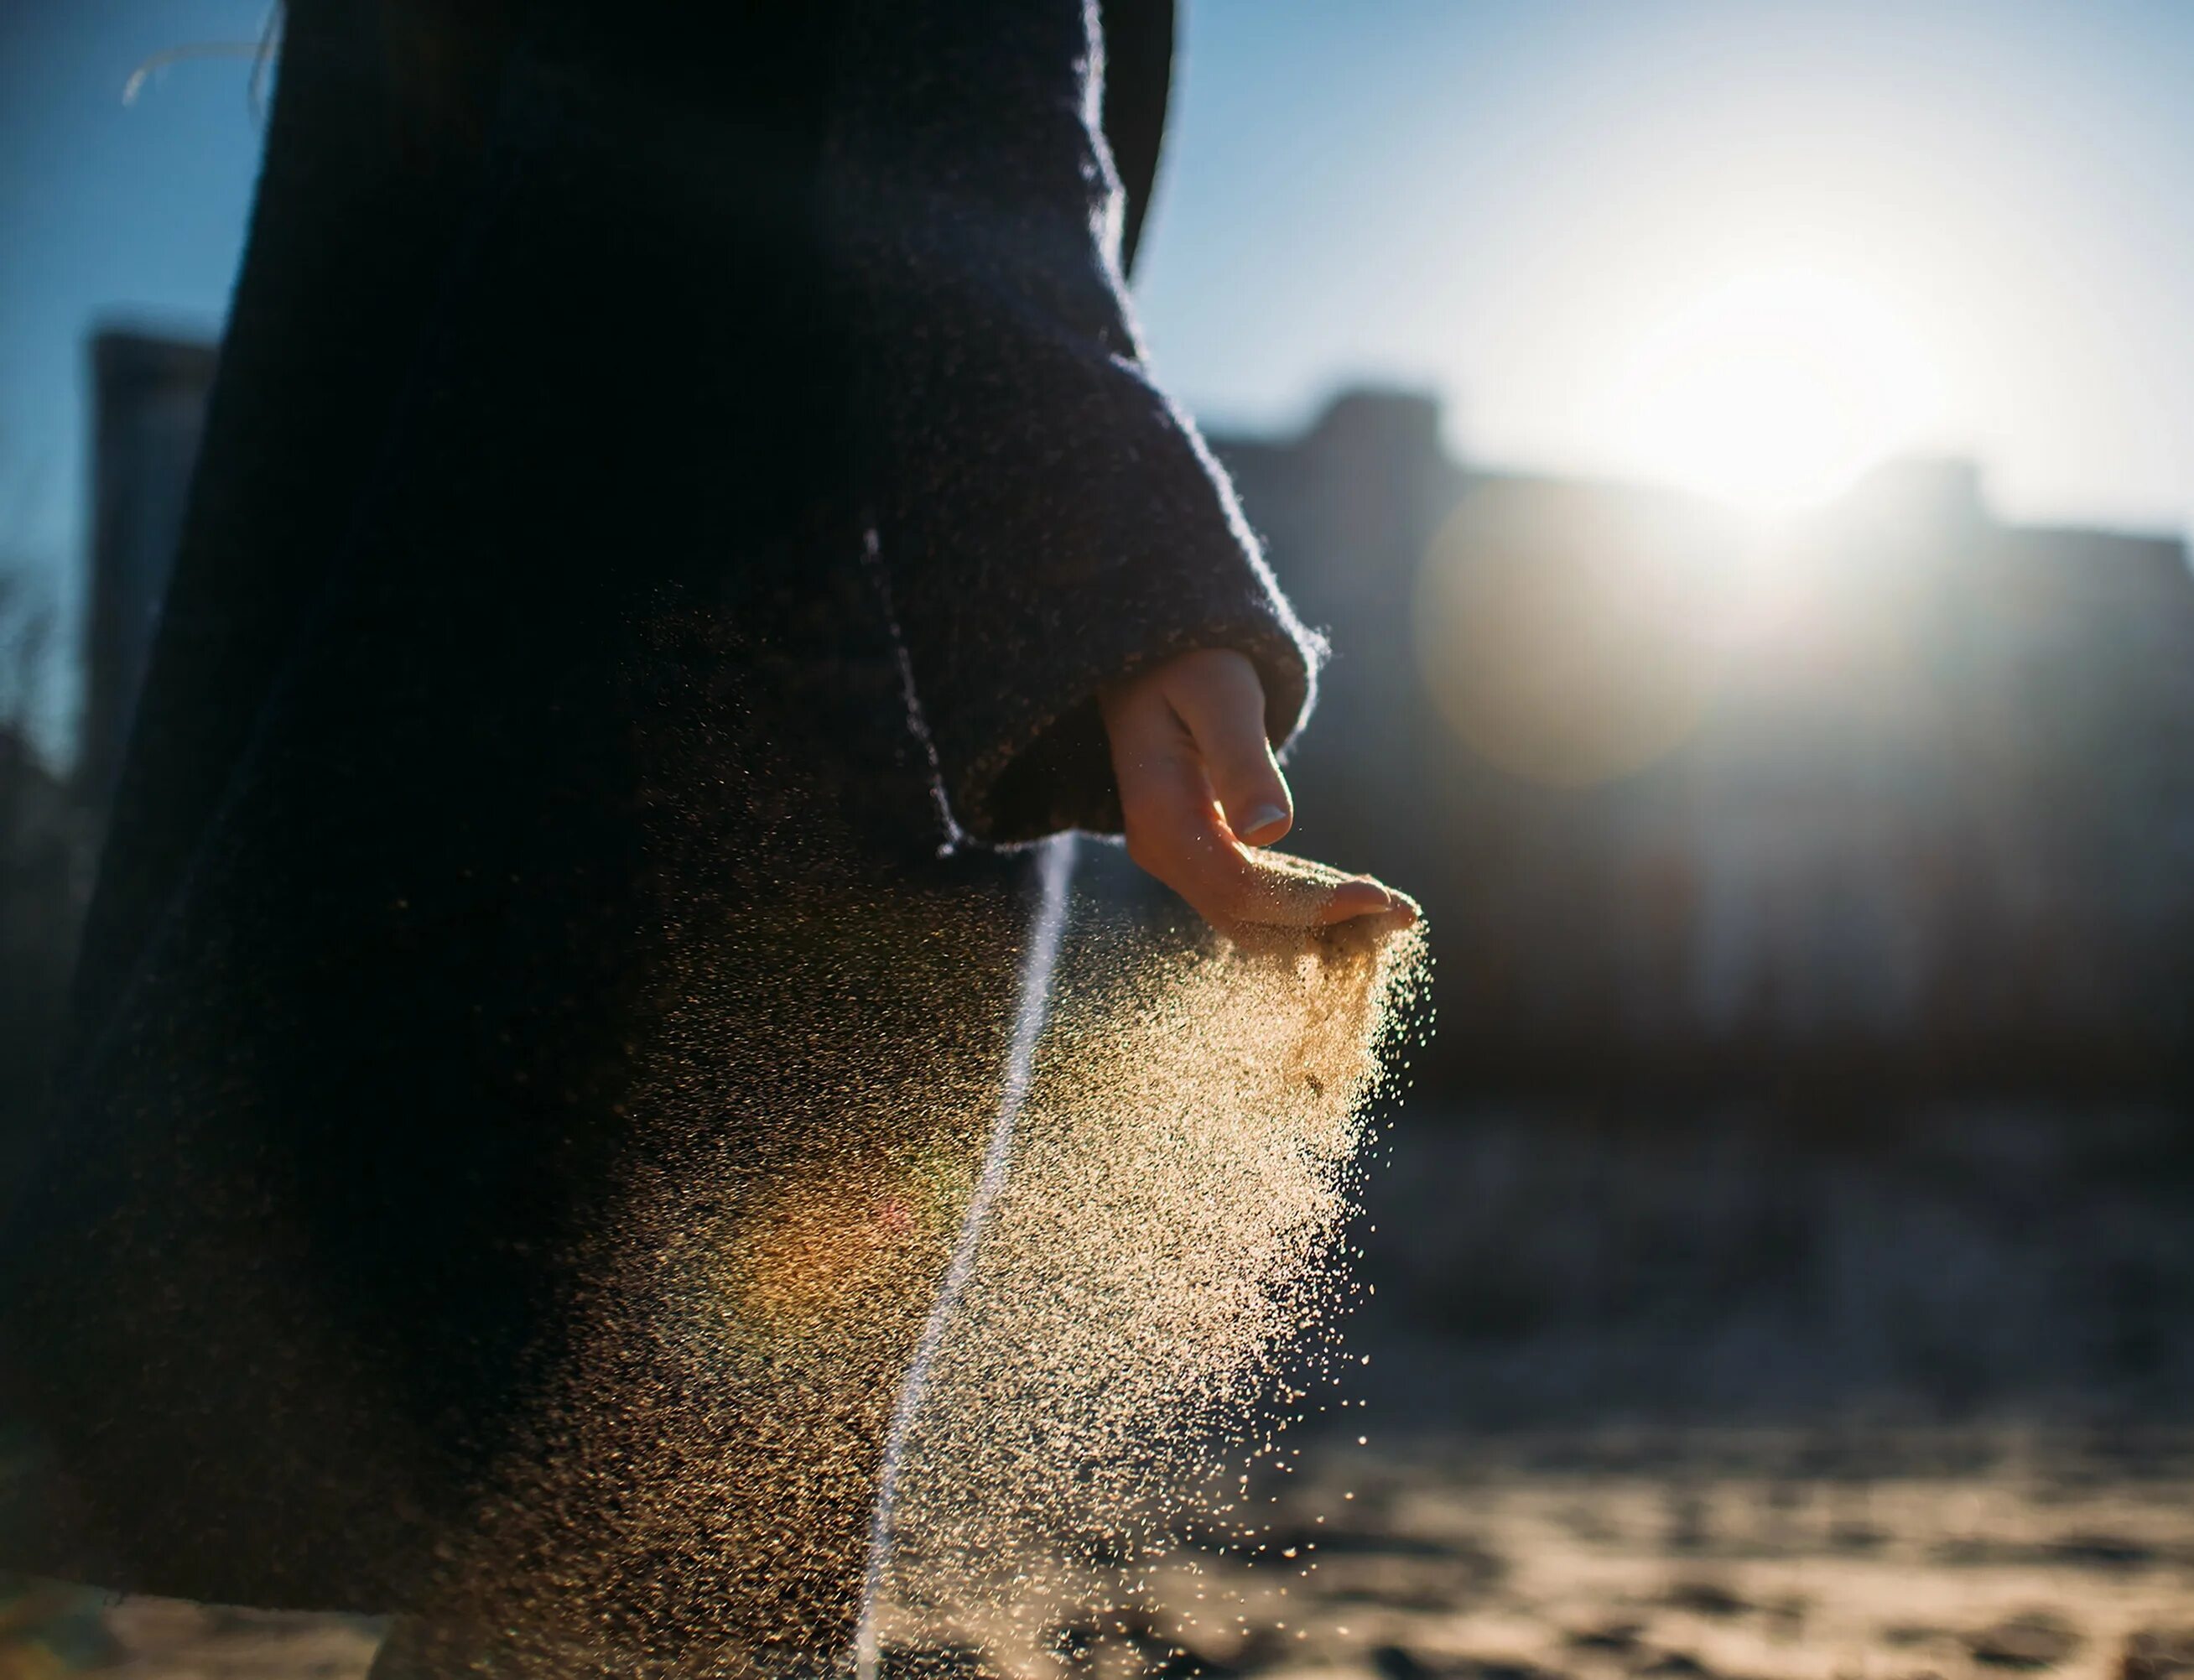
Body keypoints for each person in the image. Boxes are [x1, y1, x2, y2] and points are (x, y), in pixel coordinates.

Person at [0, 1, 1412, 1670]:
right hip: (771, 788)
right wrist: (1126, 589)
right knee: (672, 1584)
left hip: (462, 753)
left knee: (561, 1576)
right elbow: (970, 136)